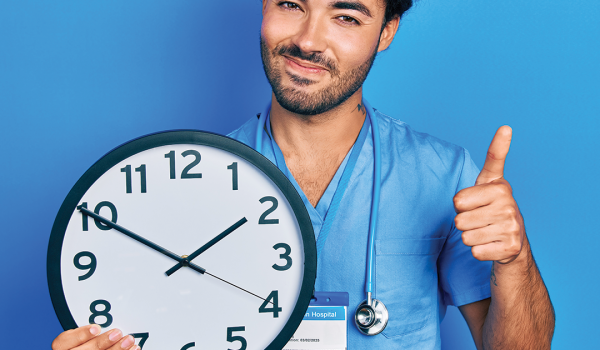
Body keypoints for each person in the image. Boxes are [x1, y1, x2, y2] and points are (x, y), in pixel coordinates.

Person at [51, 0, 555, 349]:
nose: (308, 40)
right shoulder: (184, 179)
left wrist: (516, 257)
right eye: (291, 4)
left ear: (387, 31)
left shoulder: (444, 176)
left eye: (347, 15)